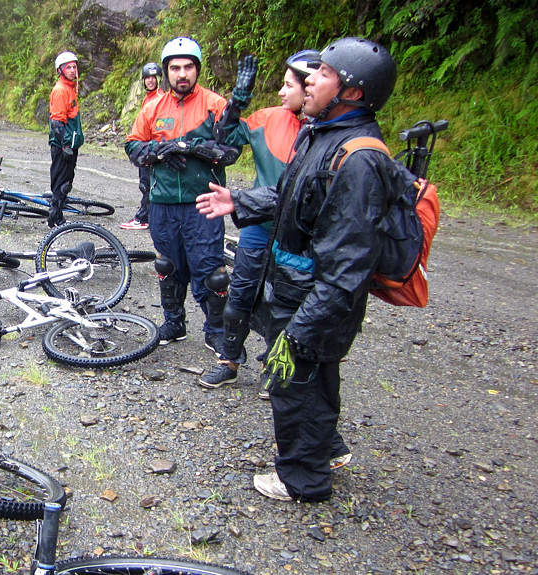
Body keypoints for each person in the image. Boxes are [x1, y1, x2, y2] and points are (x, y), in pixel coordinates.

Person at [195, 37, 399, 502]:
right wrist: (239, 200)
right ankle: (323, 453)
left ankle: (302, 479)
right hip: (294, 286)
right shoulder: (319, 134)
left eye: (323, 74)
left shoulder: (360, 158)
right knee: (313, 380)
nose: (310, 81)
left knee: (291, 381)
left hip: (318, 299)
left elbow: (348, 267)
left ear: (353, 92)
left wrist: (304, 328)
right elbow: (288, 195)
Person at [198, 50, 321, 391]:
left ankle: (276, 366)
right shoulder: (269, 117)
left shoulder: (323, 133)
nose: (282, 92)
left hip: (296, 234)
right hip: (257, 226)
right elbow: (225, 138)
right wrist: (238, 100)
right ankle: (228, 359)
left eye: (288, 85)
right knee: (240, 293)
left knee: (286, 301)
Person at [124, 37, 252, 352]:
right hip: (163, 203)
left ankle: (216, 330)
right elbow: (132, 146)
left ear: (197, 70)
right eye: (176, 68)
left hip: (203, 203)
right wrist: (159, 151)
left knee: (212, 271)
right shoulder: (153, 107)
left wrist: (190, 147)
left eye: (189, 67)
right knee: (168, 265)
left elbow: (233, 149)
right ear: (167, 72)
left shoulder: (215, 104)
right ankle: (174, 322)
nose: (183, 74)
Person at [120, 62, 163, 231]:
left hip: (152, 147)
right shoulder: (149, 98)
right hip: (145, 145)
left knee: (148, 184)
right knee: (147, 182)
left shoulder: (160, 98)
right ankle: (150, 216)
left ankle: (144, 217)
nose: (151, 81)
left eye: (154, 77)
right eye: (148, 78)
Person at [47, 51, 85, 228]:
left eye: (74, 67)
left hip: (70, 144)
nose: (72, 70)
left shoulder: (70, 88)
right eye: (68, 67)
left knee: (66, 181)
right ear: (60, 70)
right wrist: (65, 146)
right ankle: (55, 218)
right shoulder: (61, 90)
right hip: (63, 145)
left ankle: (57, 214)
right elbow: (56, 123)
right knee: (61, 182)